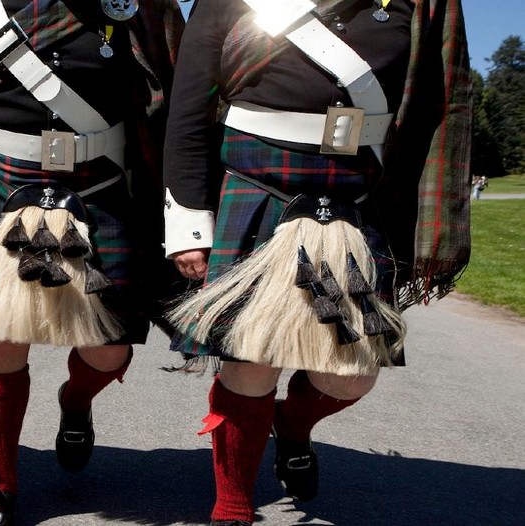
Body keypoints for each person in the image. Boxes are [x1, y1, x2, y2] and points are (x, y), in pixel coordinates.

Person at [161, 1, 472, 525]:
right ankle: (232, 505)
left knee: (353, 374)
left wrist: (427, 221)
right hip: (255, 185)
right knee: (251, 359)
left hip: (358, 198)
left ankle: (292, 425)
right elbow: (189, 110)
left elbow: (441, 105)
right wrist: (189, 222)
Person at [0, 1, 184, 524]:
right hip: (4, 186)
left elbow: (174, 104)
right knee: (3, 341)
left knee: (109, 350)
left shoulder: (137, 10)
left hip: (102, 188)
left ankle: (75, 401)